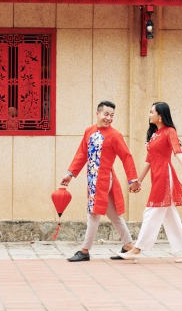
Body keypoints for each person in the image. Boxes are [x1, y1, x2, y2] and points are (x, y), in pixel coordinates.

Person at [117, 102, 182, 263]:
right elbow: (149, 160)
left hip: (165, 177)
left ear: (160, 116)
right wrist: (138, 180)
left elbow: (177, 151)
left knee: (151, 211)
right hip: (157, 176)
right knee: (169, 216)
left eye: (151, 112)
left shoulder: (169, 132)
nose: (149, 114)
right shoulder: (154, 134)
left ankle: (137, 249)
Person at [60, 101, 140, 262]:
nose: (109, 118)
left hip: (102, 179)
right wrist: (70, 174)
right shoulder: (89, 131)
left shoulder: (115, 135)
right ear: (97, 113)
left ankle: (84, 251)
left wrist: (133, 179)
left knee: (93, 214)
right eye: (106, 114)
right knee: (114, 215)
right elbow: (81, 154)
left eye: (112, 115)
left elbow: (126, 157)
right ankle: (128, 246)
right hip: (93, 178)